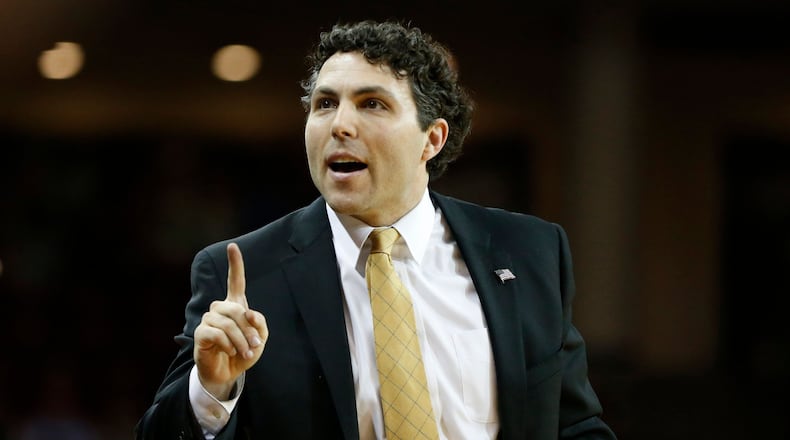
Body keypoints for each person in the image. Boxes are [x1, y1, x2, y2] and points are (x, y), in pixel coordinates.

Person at [135, 20, 617, 440]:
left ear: (432, 138)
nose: (340, 125)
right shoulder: (243, 271)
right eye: (325, 104)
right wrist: (213, 390)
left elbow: (574, 426)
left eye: (372, 104)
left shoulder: (528, 251)